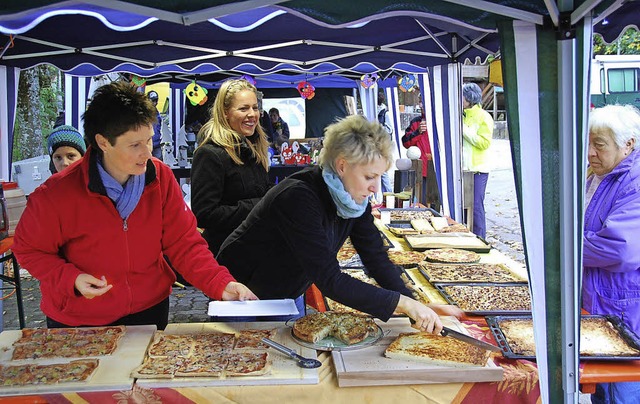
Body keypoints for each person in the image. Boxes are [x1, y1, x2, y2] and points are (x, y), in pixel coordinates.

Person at [12, 81, 257, 331]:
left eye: (149, 141)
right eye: (135, 145)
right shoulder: (57, 193)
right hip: (79, 318)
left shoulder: (160, 178)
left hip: (148, 310)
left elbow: (184, 244)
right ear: (103, 142)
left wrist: (220, 283)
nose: (147, 153)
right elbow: (29, 250)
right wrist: (71, 279)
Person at [217, 114, 461, 330]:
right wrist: (401, 303)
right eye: (369, 176)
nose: (375, 188)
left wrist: (414, 303)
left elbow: (375, 257)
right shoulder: (298, 196)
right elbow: (330, 280)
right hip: (243, 293)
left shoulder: (352, 199)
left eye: (378, 177)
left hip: (286, 288)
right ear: (342, 165)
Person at [583, 104, 640, 403]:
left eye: (599, 145)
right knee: (602, 391)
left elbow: (620, 249)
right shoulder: (599, 175)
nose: (591, 153)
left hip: (625, 310)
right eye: (589, 143)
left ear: (628, 144)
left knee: (622, 391)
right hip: (599, 304)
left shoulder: (634, 180)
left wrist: (565, 247)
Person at [191, 79, 272, 256]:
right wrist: (260, 205)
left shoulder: (253, 149)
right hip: (227, 257)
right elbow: (204, 214)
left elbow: (263, 192)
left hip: (256, 251)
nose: (252, 114)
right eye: (244, 108)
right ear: (225, 112)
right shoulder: (209, 154)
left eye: (255, 107)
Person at [461, 82, 493, 238]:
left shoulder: (484, 117)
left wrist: (464, 131)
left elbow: (484, 143)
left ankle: (480, 238)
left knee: (476, 207)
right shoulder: (460, 115)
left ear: (469, 98)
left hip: (478, 169)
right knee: (462, 206)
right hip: (462, 169)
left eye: (462, 96)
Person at [402, 95, 439, 209]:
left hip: (436, 169)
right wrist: (417, 132)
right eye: (419, 101)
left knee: (434, 204)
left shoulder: (440, 120)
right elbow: (406, 143)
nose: (420, 105)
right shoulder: (415, 122)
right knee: (419, 203)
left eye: (423, 102)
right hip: (419, 170)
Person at [377, 92, 393, 194]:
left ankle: (389, 192)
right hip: (376, 144)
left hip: (382, 144)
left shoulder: (385, 113)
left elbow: (389, 129)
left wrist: (378, 127)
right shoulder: (374, 110)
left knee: (383, 171)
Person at [147, 90, 163, 159]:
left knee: (158, 162)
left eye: (155, 100)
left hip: (157, 144)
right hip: (147, 144)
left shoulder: (157, 114)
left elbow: (160, 127)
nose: (154, 103)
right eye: (152, 101)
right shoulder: (144, 113)